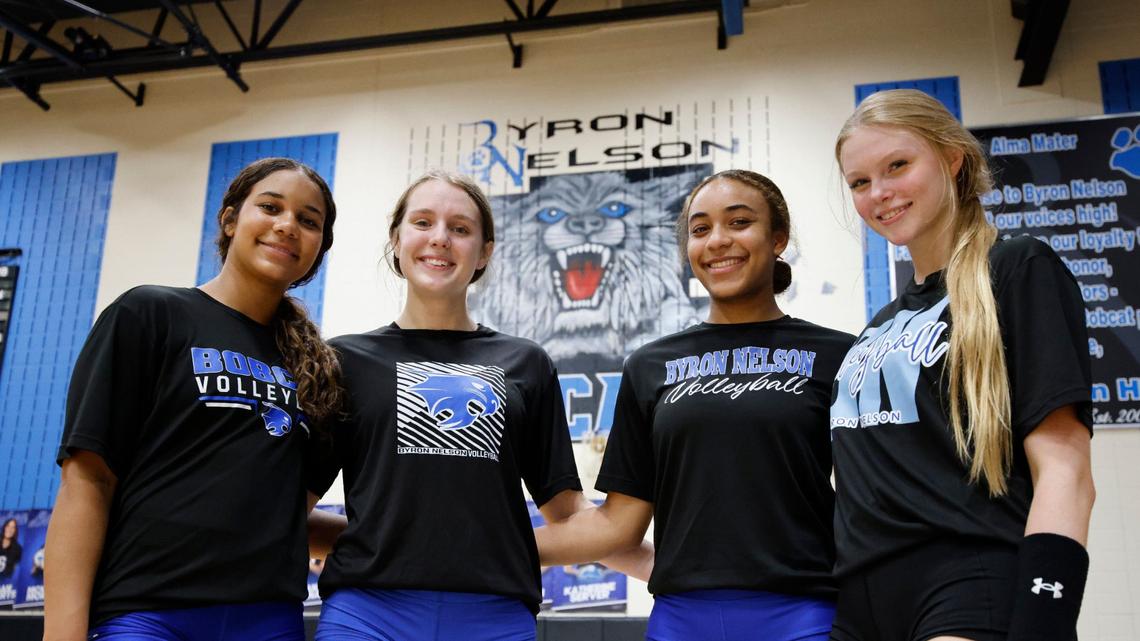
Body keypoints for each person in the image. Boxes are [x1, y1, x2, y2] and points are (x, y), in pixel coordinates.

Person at [535, 169, 855, 641]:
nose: (718, 241)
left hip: (804, 615)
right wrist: (473, 545)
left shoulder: (839, 355)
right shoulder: (649, 366)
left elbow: (872, 503)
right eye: (701, 229)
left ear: (779, 238)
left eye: (740, 222)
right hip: (682, 619)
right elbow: (617, 527)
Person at [830, 89, 1095, 641]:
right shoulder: (877, 325)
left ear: (953, 158)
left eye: (897, 165)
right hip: (857, 603)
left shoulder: (1017, 268)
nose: (879, 193)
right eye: (859, 182)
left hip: (968, 584)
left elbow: (1066, 469)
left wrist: (1044, 620)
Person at [44, 157, 342, 641]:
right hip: (148, 613)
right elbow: (89, 482)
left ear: (318, 249)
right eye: (270, 207)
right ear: (230, 219)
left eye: (309, 221)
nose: (287, 225)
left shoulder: (318, 371)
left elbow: (285, 513)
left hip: (268, 620)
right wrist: (63, 633)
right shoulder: (149, 314)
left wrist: (389, 539)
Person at [310, 171, 588, 641]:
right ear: (397, 240)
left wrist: (653, 558)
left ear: (484, 252)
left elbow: (569, 513)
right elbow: (287, 508)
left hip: (494, 615)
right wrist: (382, 539)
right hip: (367, 612)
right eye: (422, 222)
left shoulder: (527, 363)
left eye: (460, 229)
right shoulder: (343, 360)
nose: (440, 239)